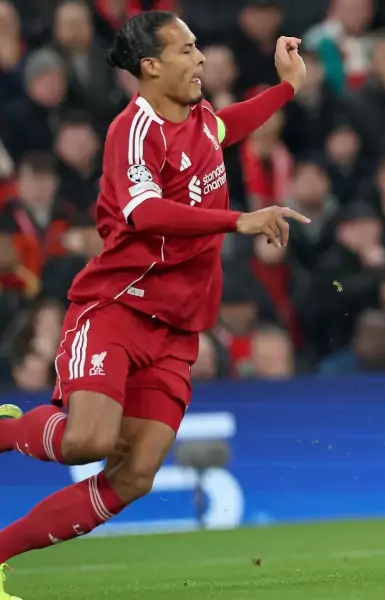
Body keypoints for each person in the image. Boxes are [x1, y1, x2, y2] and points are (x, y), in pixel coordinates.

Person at [0, 12, 309, 598]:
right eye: (188, 50)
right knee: (88, 441)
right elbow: (145, 212)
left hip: (177, 329)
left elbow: (228, 127)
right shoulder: (132, 130)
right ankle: (12, 431)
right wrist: (238, 219)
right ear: (152, 65)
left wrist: (287, 87)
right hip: (116, 308)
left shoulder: (197, 119)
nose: (201, 60)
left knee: (136, 474)